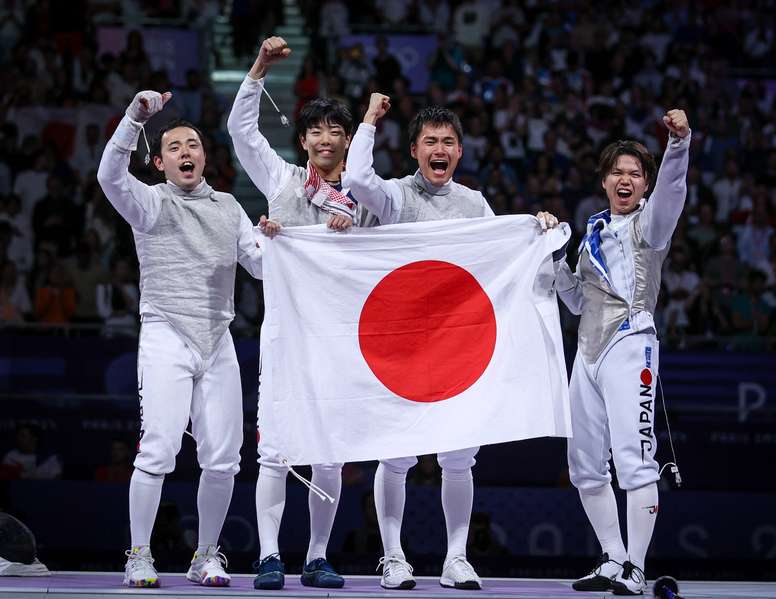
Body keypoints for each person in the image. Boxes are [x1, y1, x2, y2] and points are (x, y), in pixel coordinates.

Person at [344, 93, 556, 590]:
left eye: (448, 142)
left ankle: (455, 558)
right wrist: (371, 120)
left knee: (458, 458)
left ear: (459, 152)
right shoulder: (395, 196)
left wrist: (536, 230)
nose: (440, 149)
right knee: (396, 455)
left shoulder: (474, 204)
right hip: (402, 348)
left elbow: (500, 258)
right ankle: (393, 558)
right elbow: (354, 180)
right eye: (430, 142)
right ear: (415, 150)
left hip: (457, 349)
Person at [97, 89, 262, 589]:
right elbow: (109, 176)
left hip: (218, 338)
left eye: (193, 144)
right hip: (166, 332)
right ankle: (139, 554)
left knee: (224, 458)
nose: (186, 152)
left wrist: (290, 237)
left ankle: (206, 554)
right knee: (159, 450)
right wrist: (133, 117)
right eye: (175, 147)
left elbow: (258, 264)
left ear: (205, 156)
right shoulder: (148, 202)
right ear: (159, 161)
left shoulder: (230, 207)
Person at [225, 36, 355, 591]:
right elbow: (240, 133)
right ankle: (270, 555)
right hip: (283, 337)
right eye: (317, 131)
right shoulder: (280, 181)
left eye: (336, 131)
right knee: (275, 451)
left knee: (329, 454)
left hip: (340, 341)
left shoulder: (369, 199)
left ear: (349, 142)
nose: (326, 139)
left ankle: (318, 556)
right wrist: (258, 67)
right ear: (302, 141)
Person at [550, 110, 691, 595]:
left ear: (645, 185)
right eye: (617, 172)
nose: (625, 179)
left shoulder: (651, 226)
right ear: (605, 180)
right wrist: (551, 253)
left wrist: (679, 144)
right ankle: (612, 558)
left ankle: (637, 566)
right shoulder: (591, 234)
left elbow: (673, 191)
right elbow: (573, 300)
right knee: (584, 465)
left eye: (634, 173)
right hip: (585, 351)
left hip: (631, 343)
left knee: (633, 458)